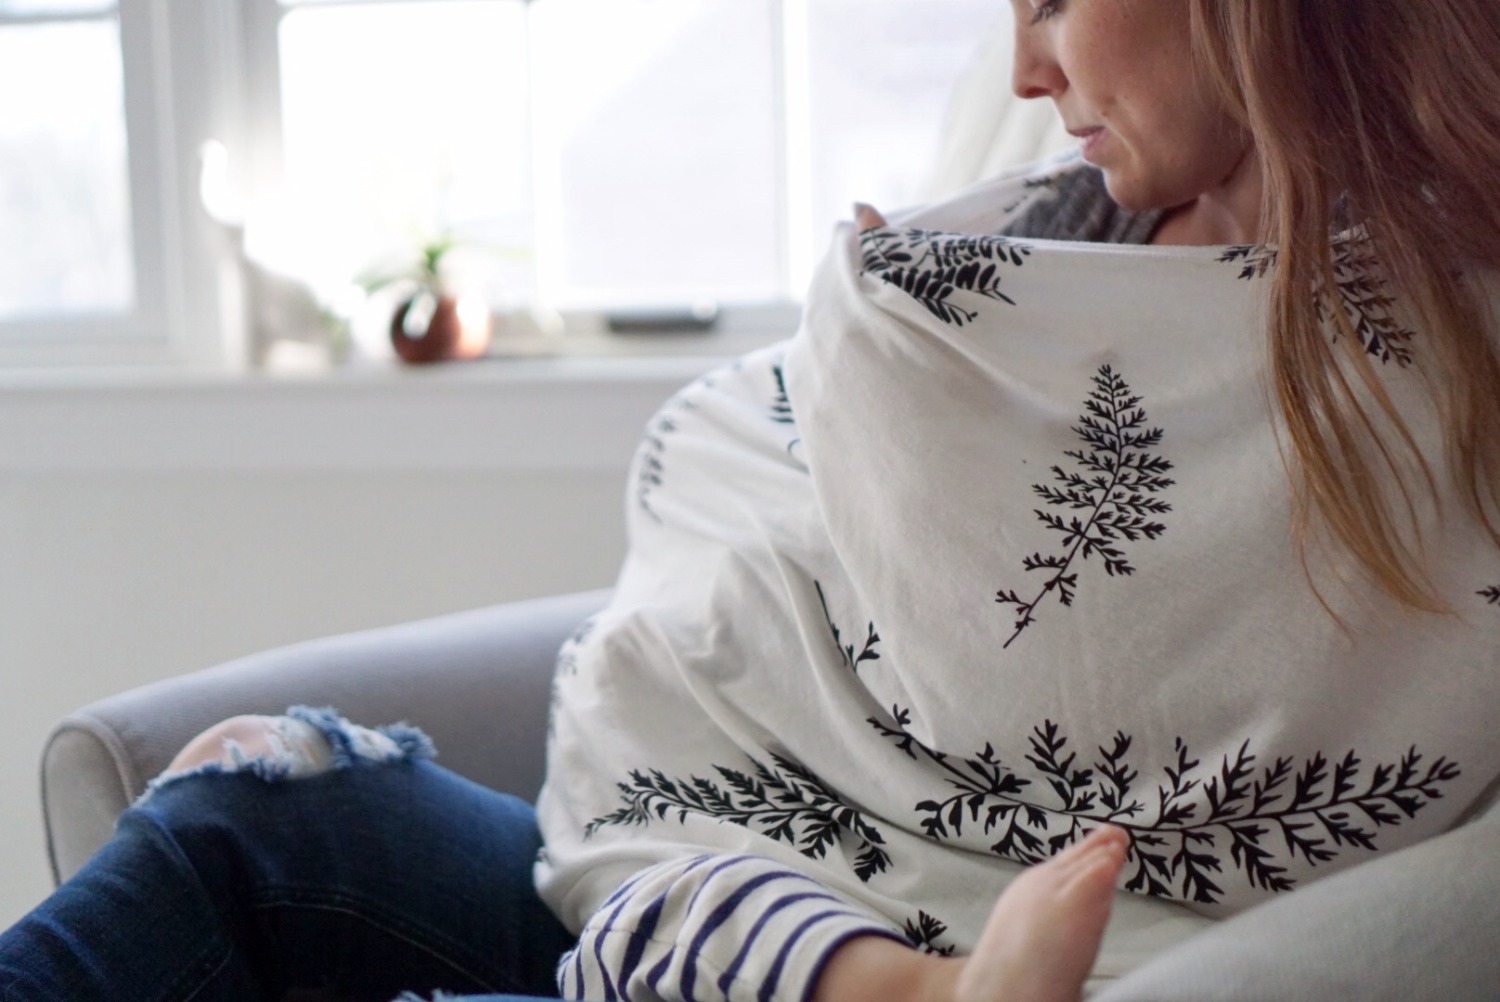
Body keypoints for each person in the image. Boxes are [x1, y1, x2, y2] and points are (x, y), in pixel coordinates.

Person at [4, 2, 1499, 1001]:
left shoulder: (1440, 350)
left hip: (896, 931)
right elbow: (776, 470)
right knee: (242, 821)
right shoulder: (1093, 203)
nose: (1026, 72)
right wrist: (882, 342)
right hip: (688, 881)